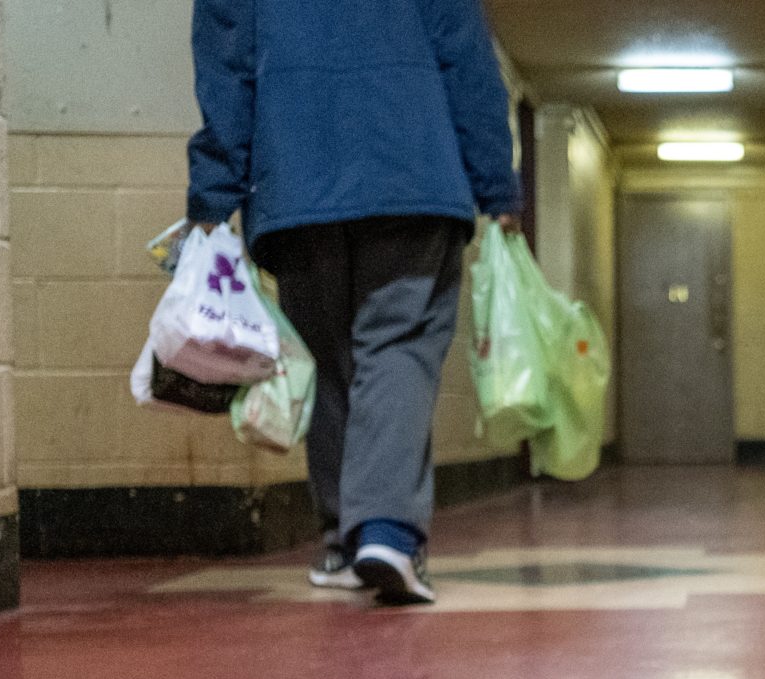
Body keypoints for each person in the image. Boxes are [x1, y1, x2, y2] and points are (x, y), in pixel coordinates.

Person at [186, 0, 522, 604]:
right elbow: (467, 63)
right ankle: (386, 532)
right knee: (398, 347)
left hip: (296, 188)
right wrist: (496, 183)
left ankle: (344, 541)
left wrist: (212, 200)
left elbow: (225, 76)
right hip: (411, 174)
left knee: (329, 358)